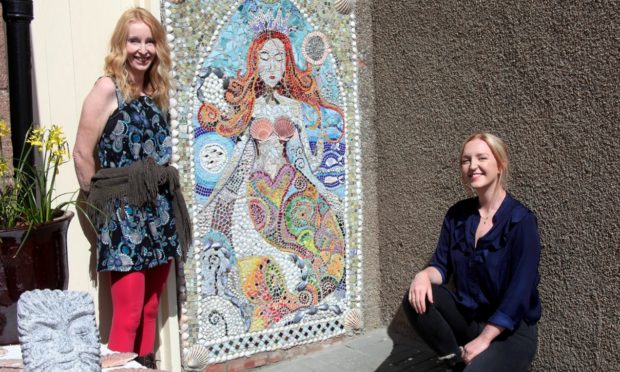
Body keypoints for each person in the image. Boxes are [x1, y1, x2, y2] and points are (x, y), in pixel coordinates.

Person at [196, 30, 346, 332]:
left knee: (323, 251)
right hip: (259, 188)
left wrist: (325, 192)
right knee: (261, 259)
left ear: (287, 62)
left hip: (291, 185)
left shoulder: (292, 107)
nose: (272, 65)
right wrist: (211, 200)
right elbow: (238, 157)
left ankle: (302, 300)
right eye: (265, 57)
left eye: (279, 57)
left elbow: (303, 159)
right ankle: (273, 305)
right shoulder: (250, 106)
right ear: (255, 62)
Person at [73, 7, 190, 369]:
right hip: (123, 214)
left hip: (159, 211)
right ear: (121, 45)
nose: (142, 49)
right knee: (129, 311)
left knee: (152, 307)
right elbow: (81, 153)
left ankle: (147, 365)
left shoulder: (155, 92)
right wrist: (102, 208)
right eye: (134, 40)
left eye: (149, 41)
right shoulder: (108, 88)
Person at [403, 133, 542, 371]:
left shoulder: (521, 222)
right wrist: (423, 275)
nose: (472, 166)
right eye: (466, 160)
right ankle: (454, 362)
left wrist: (484, 339)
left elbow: (520, 292)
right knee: (416, 296)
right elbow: (441, 266)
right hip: (470, 319)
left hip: (510, 330)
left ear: (500, 165)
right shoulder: (457, 215)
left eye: (481, 158)